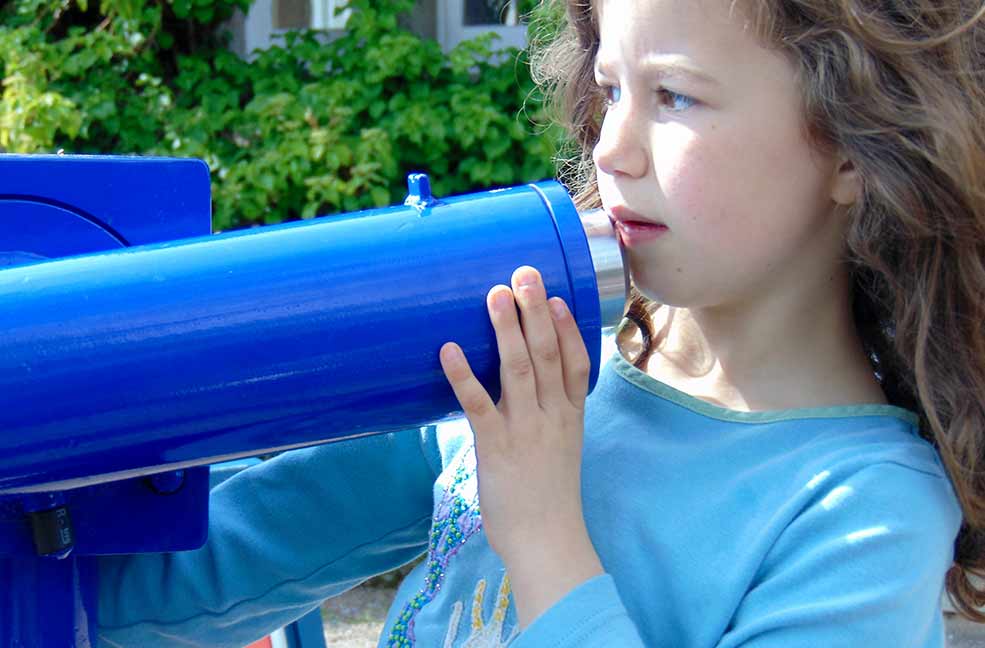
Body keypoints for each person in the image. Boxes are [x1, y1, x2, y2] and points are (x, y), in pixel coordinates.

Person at [97, 0, 985, 645]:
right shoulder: (550, 358)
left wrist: (544, 534)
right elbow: (232, 560)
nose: (609, 146)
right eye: (609, 88)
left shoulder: (862, 509)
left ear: (855, 144)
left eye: (674, 96)